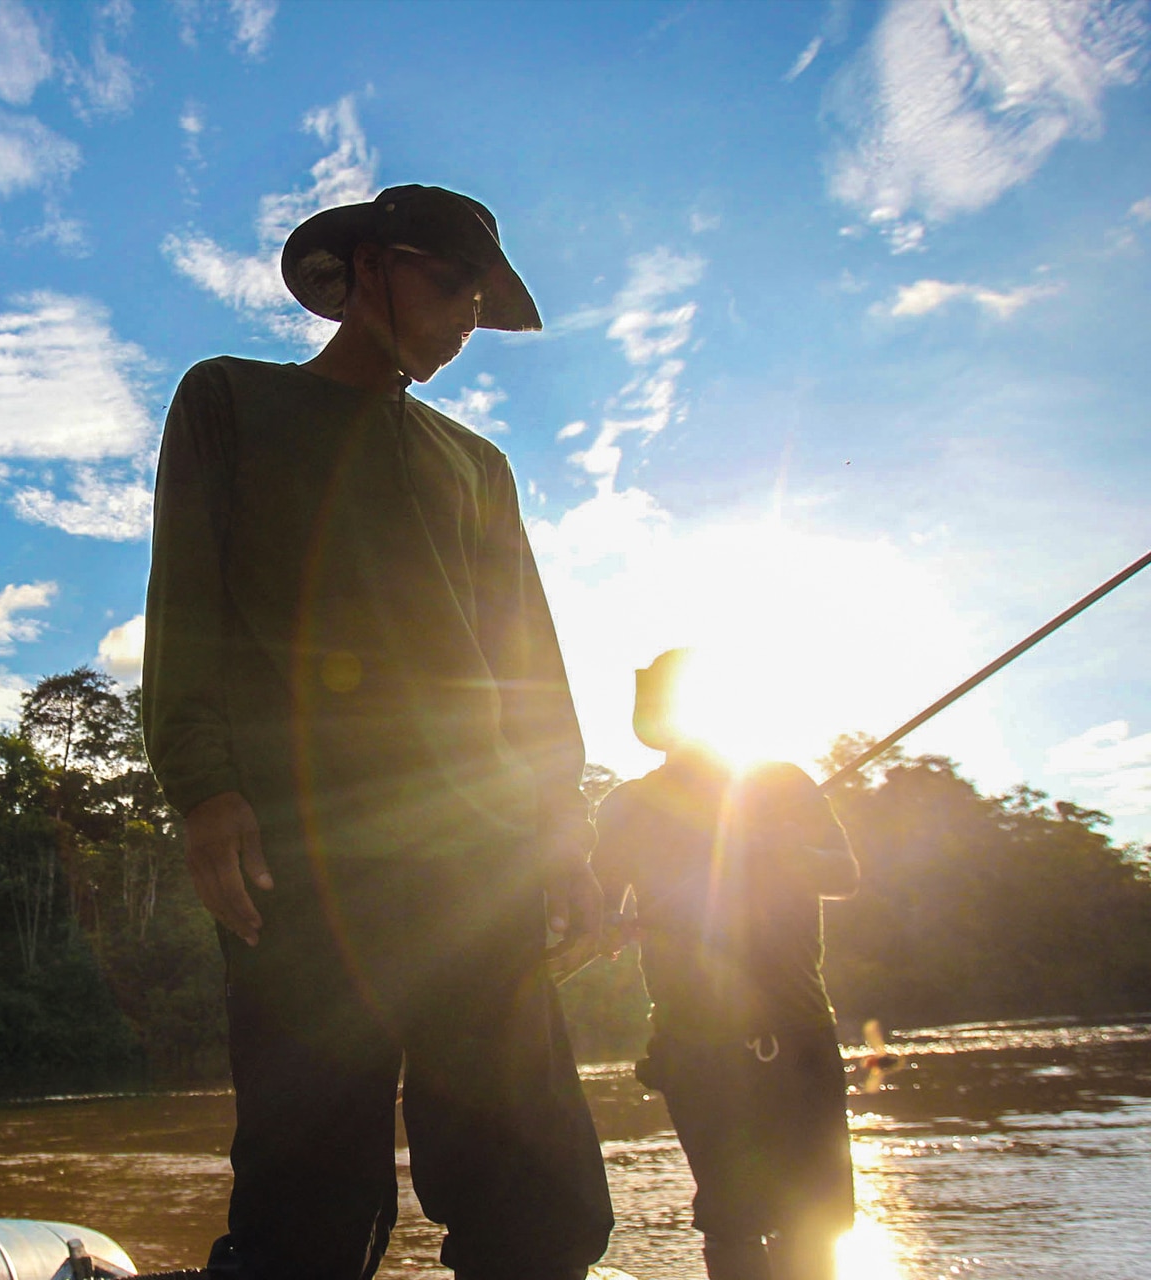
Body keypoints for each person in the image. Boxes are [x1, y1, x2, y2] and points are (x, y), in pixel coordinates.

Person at [142, 184, 613, 1280]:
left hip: (481, 862)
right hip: (304, 854)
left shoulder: (476, 466)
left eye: (480, 298)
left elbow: (529, 671)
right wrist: (204, 788)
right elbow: (187, 605)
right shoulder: (228, 401)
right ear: (366, 270)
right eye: (453, 285)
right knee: (307, 1195)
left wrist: (565, 837)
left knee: (534, 1189)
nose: (464, 318)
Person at [592, 649, 860, 1280]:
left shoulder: (782, 784)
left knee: (814, 1217)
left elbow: (843, 874)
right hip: (693, 1039)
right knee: (732, 1217)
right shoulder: (627, 806)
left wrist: (769, 843)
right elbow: (597, 914)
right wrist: (610, 925)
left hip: (798, 1030)